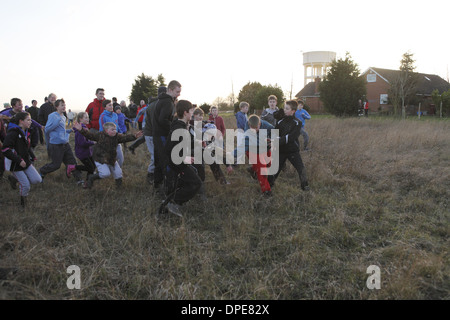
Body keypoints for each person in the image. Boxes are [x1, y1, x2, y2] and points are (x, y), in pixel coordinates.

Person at [73, 121, 143, 189]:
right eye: (112, 129)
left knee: (118, 174)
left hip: (111, 159)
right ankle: (91, 177)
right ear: (106, 131)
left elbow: (125, 137)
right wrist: (81, 129)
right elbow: (89, 135)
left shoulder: (117, 136)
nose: (114, 131)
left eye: (115, 129)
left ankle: (119, 189)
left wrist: (134, 136)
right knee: (105, 174)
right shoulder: (100, 135)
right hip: (100, 159)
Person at [163, 100, 202, 216]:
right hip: (177, 162)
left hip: (179, 160)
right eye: (191, 111)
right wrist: (184, 159)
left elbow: (185, 143)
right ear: (185, 113)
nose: (192, 114)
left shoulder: (182, 125)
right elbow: (170, 148)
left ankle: (168, 203)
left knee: (188, 179)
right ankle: (173, 203)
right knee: (195, 183)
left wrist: (199, 143)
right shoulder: (178, 128)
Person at [2, 112, 42, 206]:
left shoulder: (26, 132)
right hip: (15, 164)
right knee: (26, 185)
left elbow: (27, 147)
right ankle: (23, 203)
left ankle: (14, 179)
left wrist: (32, 155)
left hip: (26, 162)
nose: (30, 122)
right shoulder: (13, 133)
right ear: (21, 121)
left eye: (30, 120)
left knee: (37, 179)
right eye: (28, 120)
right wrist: (19, 160)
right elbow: (5, 149)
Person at [39, 99, 83, 184]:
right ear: (56, 107)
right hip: (56, 145)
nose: (64, 106)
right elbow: (47, 130)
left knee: (72, 162)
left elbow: (60, 130)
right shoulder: (53, 116)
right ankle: (42, 171)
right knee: (56, 165)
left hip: (65, 143)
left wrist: (69, 131)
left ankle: (79, 179)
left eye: (64, 105)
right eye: (62, 105)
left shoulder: (63, 116)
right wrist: (56, 123)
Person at [272, 100, 309, 191]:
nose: (284, 110)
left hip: (293, 150)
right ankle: (269, 186)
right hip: (281, 150)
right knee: (275, 170)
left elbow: (292, 137)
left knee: (301, 168)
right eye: (284, 108)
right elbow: (275, 133)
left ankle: (305, 186)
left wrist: (278, 141)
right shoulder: (280, 121)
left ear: (293, 111)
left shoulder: (297, 122)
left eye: (287, 109)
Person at [152, 80, 181, 190]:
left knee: (159, 160)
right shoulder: (167, 102)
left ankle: (157, 184)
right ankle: (168, 188)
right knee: (165, 160)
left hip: (158, 135)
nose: (179, 94)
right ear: (170, 90)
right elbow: (163, 119)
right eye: (177, 91)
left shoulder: (163, 100)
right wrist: (174, 127)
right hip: (161, 135)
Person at [245, 115, 274, 196]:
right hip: (252, 149)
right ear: (249, 125)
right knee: (262, 169)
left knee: (269, 164)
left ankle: (252, 169)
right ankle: (266, 191)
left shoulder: (266, 125)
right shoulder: (246, 127)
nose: (254, 130)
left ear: (260, 124)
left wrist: (271, 140)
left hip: (264, 148)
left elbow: (275, 131)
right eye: (252, 128)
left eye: (256, 127)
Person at [99, 99, 125, 167]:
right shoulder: (102, 116)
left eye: (112, 105)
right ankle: (112, 173)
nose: (111, 107)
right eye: (109, 105)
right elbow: (102, 129)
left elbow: (117, 125)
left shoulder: (115, 115)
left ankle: (117, 171)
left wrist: (120, 132)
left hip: (116, 139)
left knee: (120, 159)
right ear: (105, 107)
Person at [73, 112, 96, 180]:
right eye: (85, 118)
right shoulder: (80, 130)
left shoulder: (85, 127)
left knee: (93, 166)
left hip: (87, 152)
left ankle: (88, 181)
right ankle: (73, 167)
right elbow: (82, 143)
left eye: (88, 117)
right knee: (90, 168)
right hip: (82, 152)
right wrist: (92, 142)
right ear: (80, 119)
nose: (88, 119)